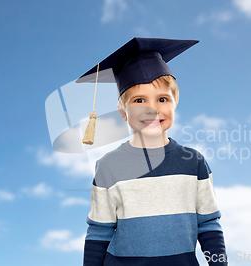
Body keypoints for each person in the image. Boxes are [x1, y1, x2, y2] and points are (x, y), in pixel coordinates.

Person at [79, 37, 227, 266]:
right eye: (139, 100)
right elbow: (99, 232)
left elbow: (208, 225)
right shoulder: (109, 166)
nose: (152, 109)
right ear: (122, 110)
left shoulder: (194, 162)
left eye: (162, 99)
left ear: (175, 102)